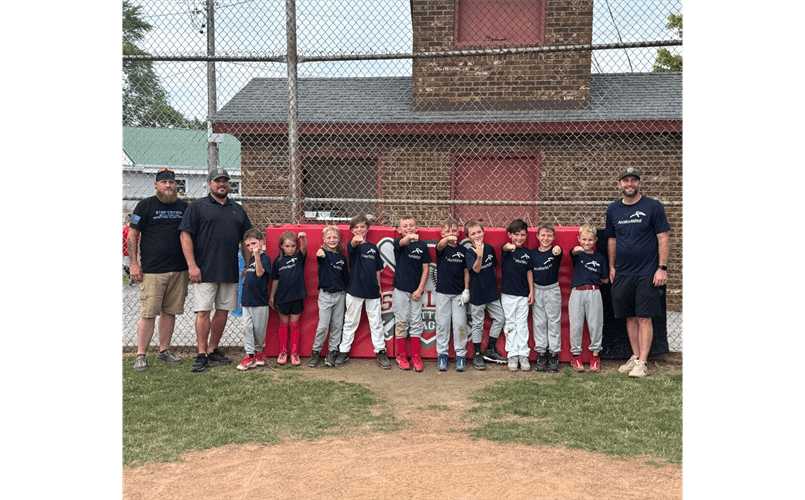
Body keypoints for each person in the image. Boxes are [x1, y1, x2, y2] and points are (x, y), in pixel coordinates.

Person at [179, 167, 252, 373]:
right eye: (217, 181)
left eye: (225, 181)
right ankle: (201, 353)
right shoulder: (198, 207)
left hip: (229, 270)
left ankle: (212, 350)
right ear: (209, 184)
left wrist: (247, 265)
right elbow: (185, 236)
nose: (222, 184)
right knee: (203, 311)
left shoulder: (237, 209)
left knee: (222, 311)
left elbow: (246, 239)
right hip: (204, 269)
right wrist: (192, 265)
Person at [605, 167, 670, 378]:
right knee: (630, 317)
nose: (629, 184)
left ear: (639, 183)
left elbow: (663, 238)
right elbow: (612, 240)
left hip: (648, 272)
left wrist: (662, 268)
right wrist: (613, 267)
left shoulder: (653, 207)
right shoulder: (613, 210)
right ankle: (634, 357)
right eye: (626, 181)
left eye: (634, 180)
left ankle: (643, 362)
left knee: (644, 317)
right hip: (623, 273)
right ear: (619, 185)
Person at [127, 168, 189, 371]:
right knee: (148, 313)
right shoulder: (145, 206)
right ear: (156, 185)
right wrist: (134, 263)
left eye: (171, 182)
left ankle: (164, 351)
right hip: (152, 271)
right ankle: (141, 354)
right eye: (164, 182)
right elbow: (132, 235)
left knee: (170, 312)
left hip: (178, 270)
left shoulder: (183, 207)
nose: (168, 185)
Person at [334, 215, 389, 369]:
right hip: (355, 290)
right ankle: (344, 351)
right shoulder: (352, 246)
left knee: (376, 323)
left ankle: (380, 350)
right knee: (350, 322)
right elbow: (351, 245)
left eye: (362, 227)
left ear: (367, 229)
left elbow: (378, 270)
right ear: (352, 230)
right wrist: (356, 241)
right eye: (356, 227)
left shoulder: (373, 248)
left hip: (372, 291)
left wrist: (380, 289)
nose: (359, 230)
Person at [391, 217, 431, 372]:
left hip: (416, 291)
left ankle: (415, 355)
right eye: (405, 226)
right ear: (399, 230)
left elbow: (425, 269)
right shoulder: (398, 243)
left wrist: (420, 289)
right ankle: (401, 355)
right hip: (401, 288)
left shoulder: (422, 245)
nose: (408, 228)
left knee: (416, 321)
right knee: (402, 321)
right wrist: (408, 237)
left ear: (417, 227)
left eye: (411, 225)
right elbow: (402, 243)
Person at [464, 221, 506, 370]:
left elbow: (494, 268)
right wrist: (479, 255)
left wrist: (494, 287)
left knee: (500, 318)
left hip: (491, 292)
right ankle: (476, 353)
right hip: (477, 293)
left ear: (483, 232)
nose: (477, 236)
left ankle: (490, 348)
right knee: (478, 324)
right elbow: (475, 269)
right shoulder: (469, 252)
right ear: (468, 237)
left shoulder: (489, 248)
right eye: (473, 234)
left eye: (479, 232)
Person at [568, 224, 609, 372]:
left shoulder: (599, 258)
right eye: (584, 239)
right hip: (577, 292)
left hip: (593, 292)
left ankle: (595, 357)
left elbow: (605, 279)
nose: (587, 243)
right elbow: (572, 252)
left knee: (595, 325)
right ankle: (576, 356)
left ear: (595, 240)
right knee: (576, 325)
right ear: (579, 239)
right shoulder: (577, 253)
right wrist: (576, 250)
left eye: (590, 240)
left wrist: (594, 277)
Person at [434, 219, 470, 372]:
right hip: (443, 293)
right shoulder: (441, 248)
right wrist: (447, 239)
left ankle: (460, 355)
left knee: (460, 325)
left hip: (458, 295)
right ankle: (442, 354)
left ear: (459, 233)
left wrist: (466, 290)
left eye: (454, 231)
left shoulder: (463, 251)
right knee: (442, 324)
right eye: (448, 231)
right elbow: (440, 245)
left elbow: (466, 272)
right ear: (442, 234)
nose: (451, 234)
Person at [311, 226, 349, 368]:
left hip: (340, 295)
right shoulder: (323, 254)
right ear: (324, 240)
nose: (332, 240)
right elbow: (319, 256)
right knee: (323, 325)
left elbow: (345, 278)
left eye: (335, 237)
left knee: (337, 325)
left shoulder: (342, 258)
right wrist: (320, 253)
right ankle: (316, 351)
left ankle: (332, 351)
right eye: (329, 238)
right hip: (326, 295)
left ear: (339, 239)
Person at [269, 231, 308, 366]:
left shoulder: (299, 258)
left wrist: (303, 239)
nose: (290, 249)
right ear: (281, 246)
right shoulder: (278, 261)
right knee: (283, 324)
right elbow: (275, 279)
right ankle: (283, 352)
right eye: (287, 246)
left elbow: (304, 249)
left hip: (297, 296)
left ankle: (295, 353)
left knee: (294, 325)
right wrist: (272, 296)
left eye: (292, 246)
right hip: (282, 297)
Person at [500, 219, 534, 372]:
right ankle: (512, 354)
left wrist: (531, 291)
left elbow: (529, 272)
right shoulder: (506, 250)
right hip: (508, 295)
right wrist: (509, 246)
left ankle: (523, 354)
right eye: (516, 235)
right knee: (510, 324)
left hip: (522, 295)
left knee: (522, 325)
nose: (520, 238)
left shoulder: (527, 253)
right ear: (510, 235)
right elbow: (505, 247)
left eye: (523, 235)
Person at [529, 222, 563, 372]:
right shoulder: (532, 254)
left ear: (554, 237)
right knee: (539, 323)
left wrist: (556, 249)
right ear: (537, 236)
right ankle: (541, 353)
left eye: (549, 235)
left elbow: (558, 250)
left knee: (553, 322)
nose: (546, 238)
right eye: (543, 235)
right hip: (537, 290)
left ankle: (554, 354)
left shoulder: (555, 251)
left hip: (552, 290)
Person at [236, 228, 271, 371]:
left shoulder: (264, 259)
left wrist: (257, 254)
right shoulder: (251, 259)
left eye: (254, 243)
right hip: (248, 301)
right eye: (248, 245)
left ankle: (259, 353)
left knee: (258, 330)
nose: (251, 247)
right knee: (247, 328)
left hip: (260, 302)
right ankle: (249, 355)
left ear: (261, 242)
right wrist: (243, 299)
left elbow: (259, 273)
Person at [122, 213, 132, 283]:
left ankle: (130, 277)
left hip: (126, 252)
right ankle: (132, 278)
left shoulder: (124, 229)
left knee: (126, 266)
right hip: (134, 251)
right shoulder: (135, 230)